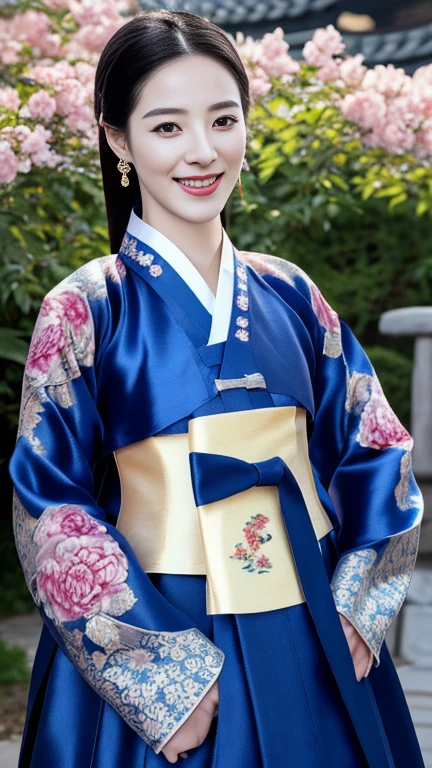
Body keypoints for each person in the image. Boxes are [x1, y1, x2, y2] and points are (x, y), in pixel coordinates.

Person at [9, 9, 425, 767]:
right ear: (116, 138)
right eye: (167, 127)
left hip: (313, 617)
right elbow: (50, 504)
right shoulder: (85, 308)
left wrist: (361, 609)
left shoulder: (292, 294)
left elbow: (378, 447)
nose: (203, 152)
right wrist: (160, 677)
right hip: (167, 626)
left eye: (223, 120)